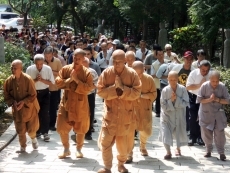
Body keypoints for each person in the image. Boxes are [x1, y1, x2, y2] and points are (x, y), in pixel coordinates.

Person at [97, 50, 141, 173]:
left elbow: (137, 93)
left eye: (119, 62)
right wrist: (114, 89)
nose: (116, 64)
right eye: (114, 62)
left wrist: (123, 89)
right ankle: (107, 167)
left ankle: (121, 164)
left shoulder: (132, 74)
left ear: (125, 61)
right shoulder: (106, 73)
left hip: (125, 116)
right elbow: (100, 91)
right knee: (105, 143)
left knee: (123, 147)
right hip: (110, 116)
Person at [55, 49, 94, 159]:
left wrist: (76, 80)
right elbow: (58, 82)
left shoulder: (86, 73)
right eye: (74, 58)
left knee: (81, 128)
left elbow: (88, 89)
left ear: (83, 60)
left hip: (80, 104)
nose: (76, 60)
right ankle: (66, 149)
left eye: (79, 59)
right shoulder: (66, 69)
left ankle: (79, 149)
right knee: (62, 126)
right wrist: (69, 80)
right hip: (66, 103)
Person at [4, 60, 40, 153]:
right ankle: (22, 147)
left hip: (30, 108)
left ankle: (33, 138)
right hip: (17, 110)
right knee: (20, 130)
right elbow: (7, 95)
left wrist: (23, 102)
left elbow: (33, 94)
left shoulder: (28, 79)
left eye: (15, 68)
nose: (13, 70)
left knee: (31, 130)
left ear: (21, 69)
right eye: (12, 67)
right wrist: (13, 102)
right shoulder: (8, 81)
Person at [126, 61, 157, 163]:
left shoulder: (149, 79)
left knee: (146, 131)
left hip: (144, 108)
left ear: (144, 70)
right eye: (136, 73)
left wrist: (142, 95)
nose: (138, 76)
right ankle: (129, 153)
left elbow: (154, 94)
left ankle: (142, 145)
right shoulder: (128, 78)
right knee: (129, 132)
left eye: (140, 73)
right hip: (131, 108)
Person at [196, 71, 230, 161]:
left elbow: (227, 100)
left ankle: (221, 153)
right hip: (206, 113)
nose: (215, 83)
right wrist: (209, 99)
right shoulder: (204, 86)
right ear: (209, 80)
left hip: (218, 114)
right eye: (213, 81)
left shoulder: (222, 87)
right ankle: (208, 150)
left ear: (219, 80)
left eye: (217, 81)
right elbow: (199, 99)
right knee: (206, 133)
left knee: (220, 134)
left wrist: (217, 99)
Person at [159, 71, 189, 159]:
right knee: (165, 132)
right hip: (167, 116)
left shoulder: (183, 89)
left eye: (174, 79)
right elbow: (163, 105)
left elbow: (186, 102)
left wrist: (177, 99)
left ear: (178, 79)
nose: (172, 81)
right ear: (167, 79)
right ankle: (168, 152)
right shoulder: (165, 90)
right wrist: (171, 100)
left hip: (179, 115)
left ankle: (178, 148)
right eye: (170, 79)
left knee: (178, 132)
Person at [26, 54, 55, 141]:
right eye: (37, 64)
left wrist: (42, 80)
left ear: (43, 62)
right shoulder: (29, 69)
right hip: (34, 93)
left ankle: (45, 132)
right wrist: (35, 80)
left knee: (45, 112)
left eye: (41, 64)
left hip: (45, 92)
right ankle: (37, 131)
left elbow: (51, 82)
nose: (39, 66)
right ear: (34, 63)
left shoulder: (48, 69)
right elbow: (27, 84)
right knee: (35, 113)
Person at [186, 60, 211, 146]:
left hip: (206, 99)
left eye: (207, 70)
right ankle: (192, 137)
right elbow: (188, 87)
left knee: (203, 118)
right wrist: (200, 85)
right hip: (194, 97)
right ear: (199, 67)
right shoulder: (193, 73)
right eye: (203, 70)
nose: (205, 72)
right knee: (192, 117)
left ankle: (201, 137)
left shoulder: (211, 75)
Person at [172, 51, 195, 132]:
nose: (188, 60)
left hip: (188, 93)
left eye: (190, 59)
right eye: (187, 58)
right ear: (183, 59)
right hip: (177, 91)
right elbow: (171, 79)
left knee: (187, 110)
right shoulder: (177, 68)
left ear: (192, 60)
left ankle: (186, 128)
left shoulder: (194, 71)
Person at [43, 46, 62, 131]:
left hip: (54, 88)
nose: (48, 58)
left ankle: (52, 124)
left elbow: (61, 74)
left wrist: (51, 70)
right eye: (46, 57)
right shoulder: (41, 61)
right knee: (44, 108)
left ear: (53, 54)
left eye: (49, 56)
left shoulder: (57, 61)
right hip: (43, 87)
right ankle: (43, 125)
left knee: (53, 107)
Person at [82, 57, 98, 140]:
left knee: (90, 113)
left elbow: (96, 84)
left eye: (85, 62)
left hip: (90, 95)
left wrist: (87, 88)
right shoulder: (77, 71)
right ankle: (78, 131)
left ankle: (88, 132)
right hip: (80, 95)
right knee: (79, 113)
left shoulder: (92, 72)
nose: (84, 64)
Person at [151, 47, 169, 117]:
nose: (161, 56)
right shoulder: (154, 64)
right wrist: (164, 76)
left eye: (162, 54)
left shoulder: (168, 62)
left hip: (167, 84)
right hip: (158, 84)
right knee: (158, 98)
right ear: (156, 56)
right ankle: (158, 112)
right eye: (159, 55)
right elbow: (153, 75)